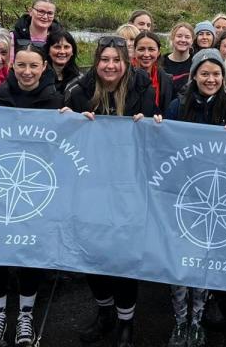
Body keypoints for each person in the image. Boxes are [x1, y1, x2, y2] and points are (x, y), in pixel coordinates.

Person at [64, 36, 155, 347]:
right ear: (97, 61)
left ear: (125, 63)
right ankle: (104, 312)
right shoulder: (79, 91)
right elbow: (66, 141)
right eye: (105, 60)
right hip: (90, 186)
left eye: (117, 60)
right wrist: (70, 120)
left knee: (124, 255)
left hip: (129, 186)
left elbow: (154, 137)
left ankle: (126, 323)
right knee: (95, 254)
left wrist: (153, 122)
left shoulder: (143, 88)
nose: (111, 66)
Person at [0, 43, 61, 347]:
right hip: (0, 187)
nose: (27, 72)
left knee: (31, 252)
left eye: (33, 66)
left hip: (37, 190)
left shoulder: (56, 101)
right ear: (12, 68)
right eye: (21, 66)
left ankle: (25, 315)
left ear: (44, 68)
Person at [163, 50, 226, 347]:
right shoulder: (176, 105)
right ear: (194, 75)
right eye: (205, 73)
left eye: (216, 74)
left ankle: (197, 321)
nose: (210, 79)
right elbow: (165, 150)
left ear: (223, 78)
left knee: (205, 263)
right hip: (182, 196)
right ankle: (180, 321)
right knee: (180, 264)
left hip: (214, 197)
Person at [132, 31, 174, 119]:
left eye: (151, 49)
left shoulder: (167, 80)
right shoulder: (124, 76)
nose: (146, 54)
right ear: (134, 51)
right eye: (141, 49)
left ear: (158, 52)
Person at [45, 27, 81, 95]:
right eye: (57, 47)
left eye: (66, 47)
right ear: (48, 51)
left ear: (72, 51)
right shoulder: (40, 77)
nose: (62, 51)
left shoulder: (80, 79)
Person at [162, 22, 194, 91]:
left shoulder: (195, 63)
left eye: (187, 37)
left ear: (192, 41)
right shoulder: (161, 62)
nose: (183, 40)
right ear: (172, 38)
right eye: (179, 36)